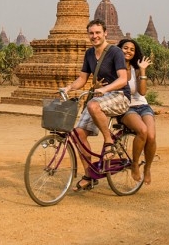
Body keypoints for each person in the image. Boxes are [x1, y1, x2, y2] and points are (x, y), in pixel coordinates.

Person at [62, 19, 129, 192]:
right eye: (91, 33)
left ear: (105, 33)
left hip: (120, 96)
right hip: (99, 98)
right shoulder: (89, 54)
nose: (95, 36)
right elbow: (82, 79)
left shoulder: (115, 52)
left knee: (93, 105)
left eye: (98, 32)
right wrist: (68, 88)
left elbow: (123, 79)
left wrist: (105, 88)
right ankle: (89, 176)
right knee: (77, 134)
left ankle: (108, 141)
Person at [117, 38, 157, 185]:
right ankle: (134, 164)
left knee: (151, 136)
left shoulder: (136, 70)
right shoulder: (114, 69)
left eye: (132, 49)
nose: (128, 51)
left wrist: (143, 70)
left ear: (135, 53)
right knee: (143, 131)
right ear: (119, 50)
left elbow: (143, 92)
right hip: (126, 108)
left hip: (143, 106)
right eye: (125, 48)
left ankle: (147, 167)